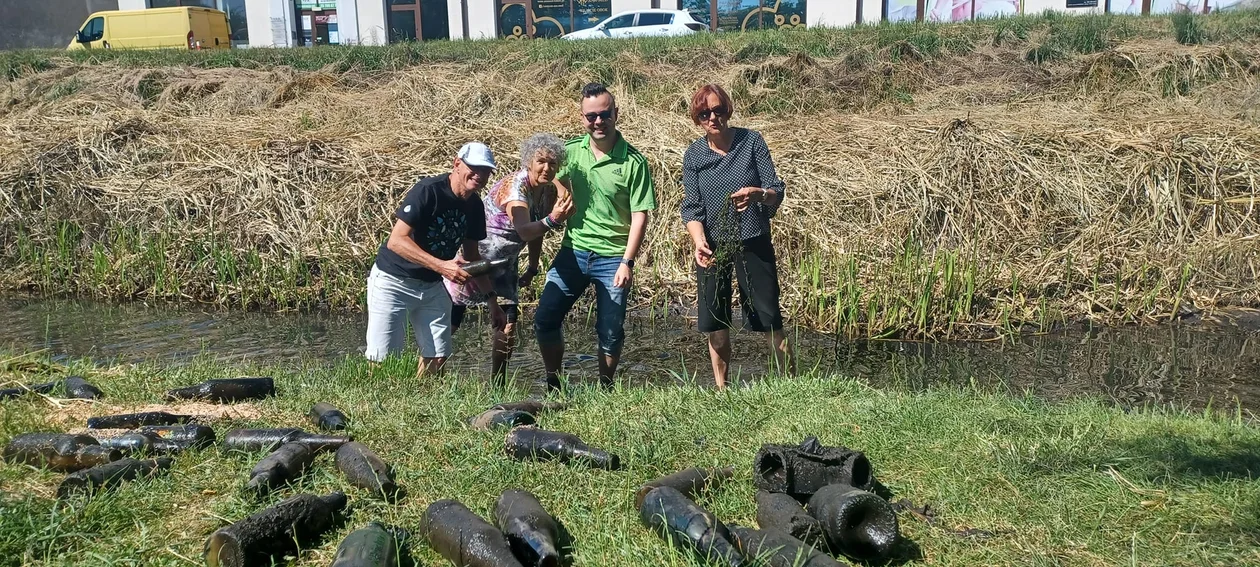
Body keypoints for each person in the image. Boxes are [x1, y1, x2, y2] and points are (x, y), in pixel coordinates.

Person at [534, 83, 657, 389]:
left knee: (611, 329)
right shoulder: (571, 152)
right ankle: (554, 380)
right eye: (591, 117)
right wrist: (562, 191)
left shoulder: (634, 162)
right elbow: (547, 174)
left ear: (616, 114)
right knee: (545, 317)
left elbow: (640, 215)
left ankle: (605, 387)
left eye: (604, 114)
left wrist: (627, 262)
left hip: (614, 257)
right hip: (573, 251)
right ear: (582, 119)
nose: (598, 122)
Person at [681, 83, 795, 389]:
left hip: (753, 238)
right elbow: (692, 208)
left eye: (718, 110)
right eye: (705, 113)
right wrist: (698, 240)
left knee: (768, 316)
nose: (713, 117)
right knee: (714, 320)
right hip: (713, 245)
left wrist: (759, 194)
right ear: (698, 118)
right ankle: (722, 390)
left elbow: (776, 191)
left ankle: (791, 384)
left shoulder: (751, 141)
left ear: (727, 110)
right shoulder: (693, 155)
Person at [364, 141, 506, 377]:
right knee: (384, 359)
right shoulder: (429, 190)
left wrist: (492, 302)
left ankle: (421, 398)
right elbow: (396, 241)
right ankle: (378, 401)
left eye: (486, 170)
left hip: (431, 285)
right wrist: (442, 266)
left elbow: (472, 256)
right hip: (393, 281)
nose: (479, 175)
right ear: (457, 164)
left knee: (438, 355)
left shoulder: (474, 206)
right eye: (475, 167)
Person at [444, 133, 575, 384]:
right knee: (452, 321)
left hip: (505, 264)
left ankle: (498, 385)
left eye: (553, 163)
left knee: (507, 324)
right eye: (541, 162)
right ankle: (427, 375)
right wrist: (554, 219)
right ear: (528, 162)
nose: (547, 168)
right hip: (477, 258)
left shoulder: (545, 191)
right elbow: (526, 229)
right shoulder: (515, 188)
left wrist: (534, 266)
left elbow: (537, 231)